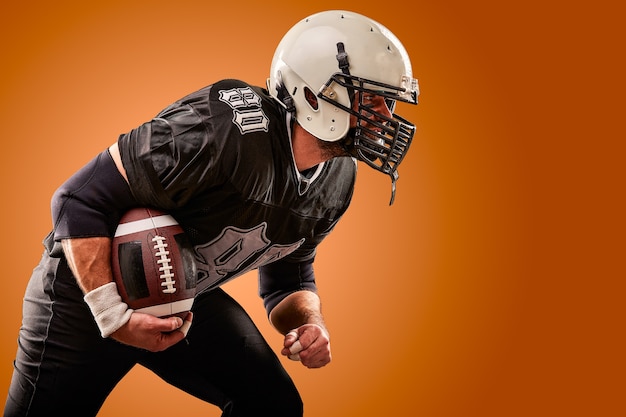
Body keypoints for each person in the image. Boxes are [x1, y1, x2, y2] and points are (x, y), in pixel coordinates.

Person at [4, 9, 419, 417]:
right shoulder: (226, 130)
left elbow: (288, 276)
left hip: (179, 294)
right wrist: (113, 315)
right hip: (83, 294)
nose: (385, 118)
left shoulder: (338, 179)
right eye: (373, 100)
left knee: (273, 404)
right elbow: (79, 198)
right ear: (314, 93)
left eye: (389, 103)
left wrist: (310, 323)